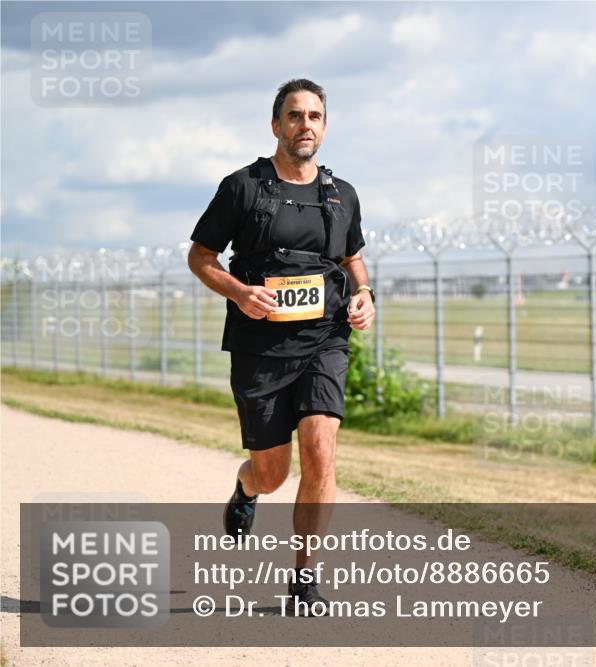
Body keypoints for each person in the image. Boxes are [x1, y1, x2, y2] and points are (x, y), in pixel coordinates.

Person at [187, 78, 375, 617]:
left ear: (325, 126)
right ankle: (247, 488)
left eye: (315, 116)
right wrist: (239, 292)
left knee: (321, 451)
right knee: (273, 472)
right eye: (295, 116)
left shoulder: (342, 195)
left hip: (324, 340)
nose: (305, 125)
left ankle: (304, 579)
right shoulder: (242, 187)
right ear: (276, 125)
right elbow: (201, 258)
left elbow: (351, 258)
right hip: (259, 348)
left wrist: (364, 294)